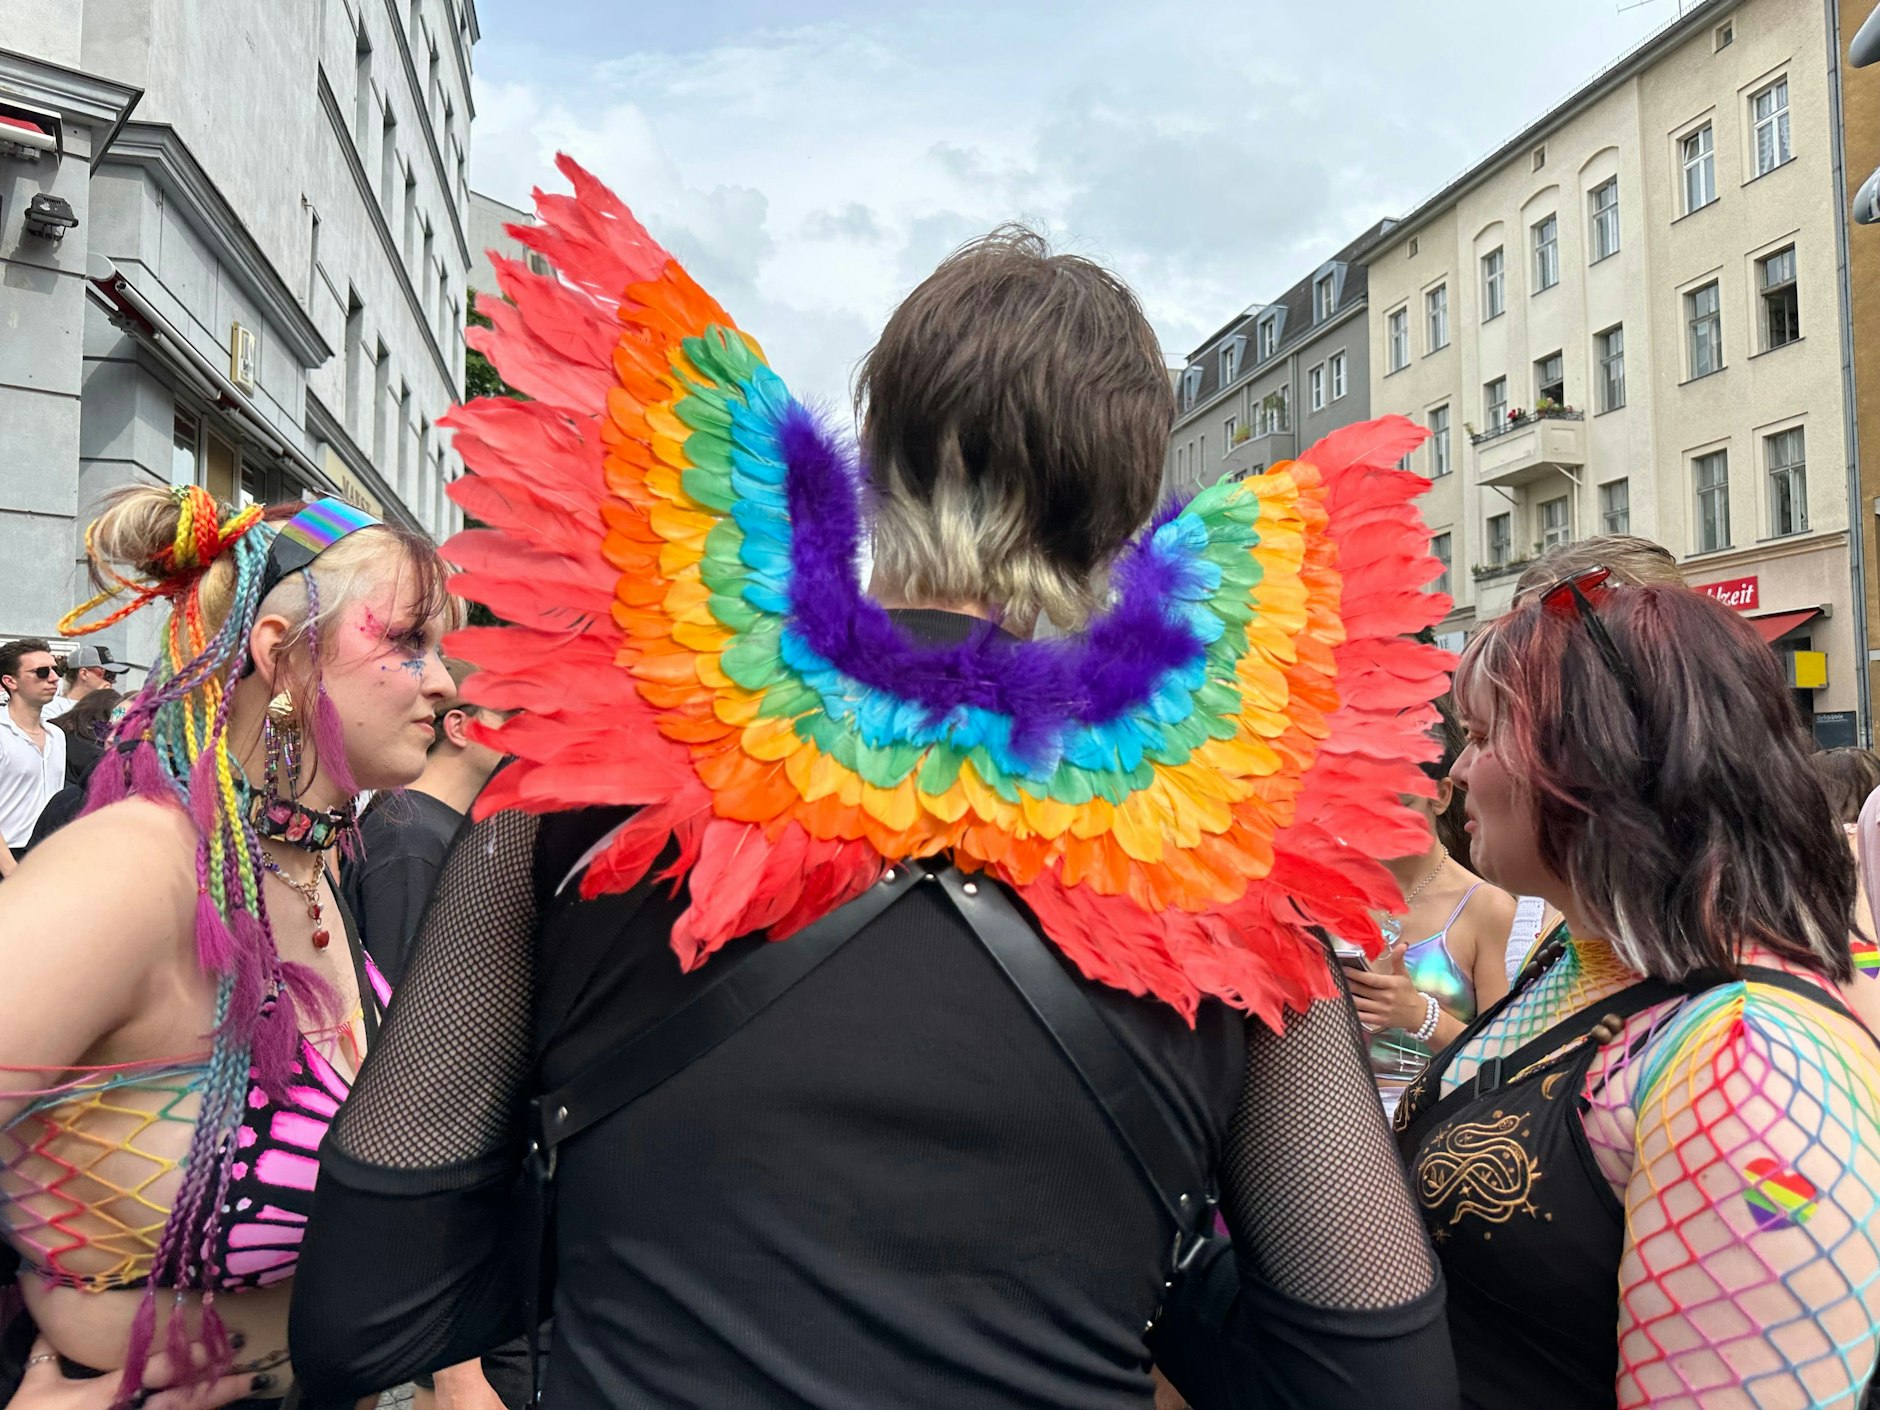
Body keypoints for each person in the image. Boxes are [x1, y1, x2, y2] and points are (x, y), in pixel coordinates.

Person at [289, 163, 1458, 1409]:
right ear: (1126, 510)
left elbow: (363, 1318)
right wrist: (1131, 1284)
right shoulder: (1228, 863)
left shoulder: (599, 783)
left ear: (874, 470)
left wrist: (618, 1235)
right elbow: (1375, 1379)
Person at [0, 487, 452, 1408]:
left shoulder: (303, 872)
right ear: (281, 657)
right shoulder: (135, 872)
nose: (444, 682)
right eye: (408, 643)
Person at [1398, 570, 1880, 1408]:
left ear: (1590, 758)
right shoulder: (1586, 956)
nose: (1461, 771)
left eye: (1480, 736)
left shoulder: (1748, 1060)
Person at [1345, 712, 1517, 1119]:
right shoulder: (1332, 899)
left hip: (1436, 1130)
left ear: (1439, 796)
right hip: (1339, 1129)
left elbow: (1505, 1066)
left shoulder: (1485, 908)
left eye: (1399, 803)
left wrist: (1421, 1017)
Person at [341, 659, 506, 987]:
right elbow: (399, 1002)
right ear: (460, 727)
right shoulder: (411, 837)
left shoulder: (423, 826)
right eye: (514, 718)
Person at [0, 640, 68, 876]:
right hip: (9, 856)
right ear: (10, 681)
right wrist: (10, 870)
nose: (53, 678)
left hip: (49, 856)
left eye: (55, 669)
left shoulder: (56, 735)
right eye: (41, 672)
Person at [42, 647, 129, 725]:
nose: (111, 681)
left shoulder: (108, 703)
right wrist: (95, 700)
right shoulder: (51, 706)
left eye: (113, 676)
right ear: (84, 674)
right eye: (108, 675)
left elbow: (122, 726)